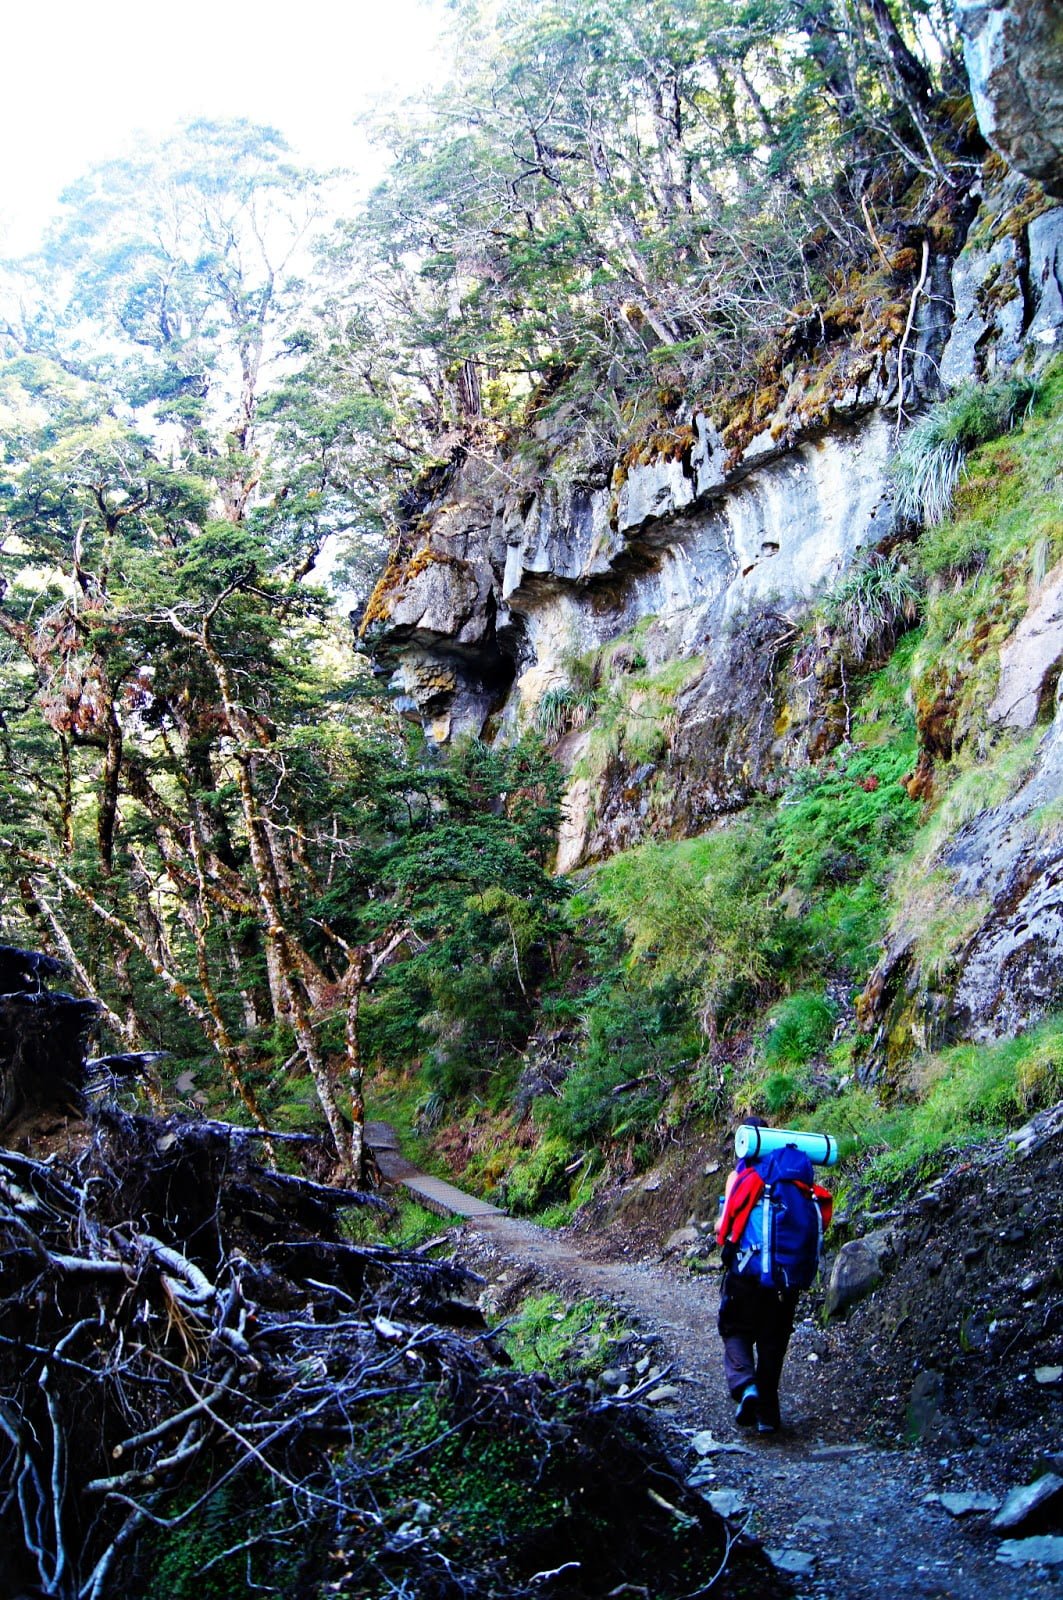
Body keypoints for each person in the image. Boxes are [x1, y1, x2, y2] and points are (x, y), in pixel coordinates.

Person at [714, 1118, 801, 1436]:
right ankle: (768, 1416)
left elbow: (723, 1230)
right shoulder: (792, 1176)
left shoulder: (739, 1175)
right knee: (772, 1343)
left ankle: (745, 1386)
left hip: (746, 1276)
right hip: (785, 1279)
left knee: (734, 1330)